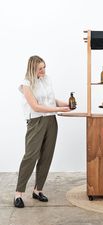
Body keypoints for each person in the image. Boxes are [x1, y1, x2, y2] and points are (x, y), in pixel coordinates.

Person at [14, 55, 71, 208]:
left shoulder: (47, 79)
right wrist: (59, 109)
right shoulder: (26, 84)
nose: (43, 71)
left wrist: (67, 104)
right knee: (30, 156)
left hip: (51, 121)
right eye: (40, 68)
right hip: (36, 121)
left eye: (44, 67)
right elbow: (36, 106)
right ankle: (18, 193)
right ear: (32, 68)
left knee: (47, 155)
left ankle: (38, 190)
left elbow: (50, 100)